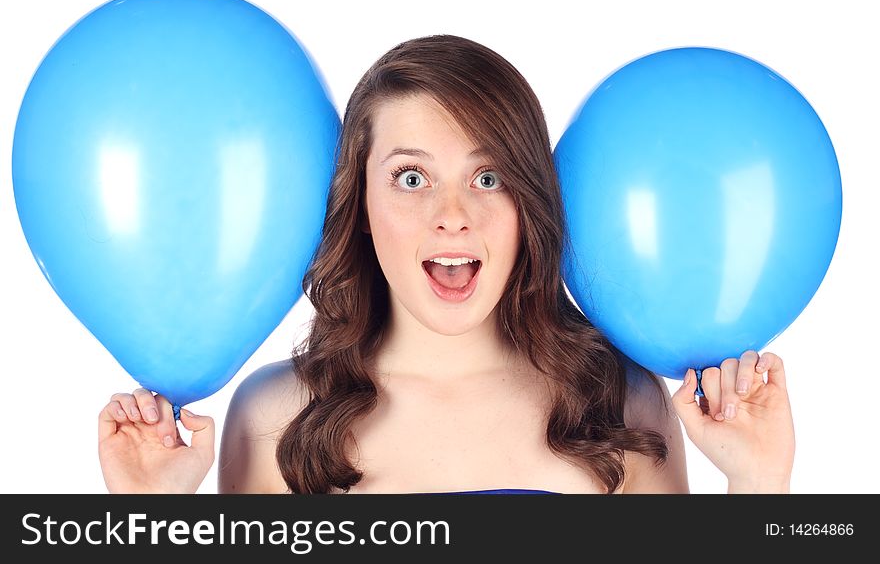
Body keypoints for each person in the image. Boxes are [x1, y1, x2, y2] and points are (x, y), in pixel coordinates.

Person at [98, 35, 795, 494]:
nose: (452, 213)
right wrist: (146, 519)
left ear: (530, 200)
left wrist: (759, 484)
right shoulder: (273, 416)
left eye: (488, 177)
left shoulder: (619, 404)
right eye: (411, 177)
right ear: (360, 202)